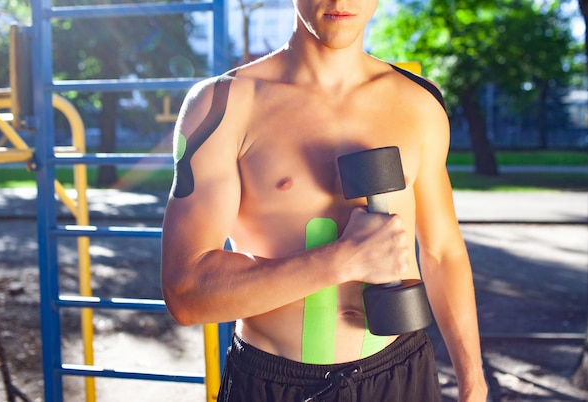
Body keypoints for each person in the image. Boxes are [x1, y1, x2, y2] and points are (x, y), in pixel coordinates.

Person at [161, 0, 488, 400]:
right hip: (277, 383)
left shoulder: (419, 100)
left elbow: (443, 252)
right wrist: (342, 260)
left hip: (402, 374)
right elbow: (186, 293)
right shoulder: (222, 105)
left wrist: (473, 384)